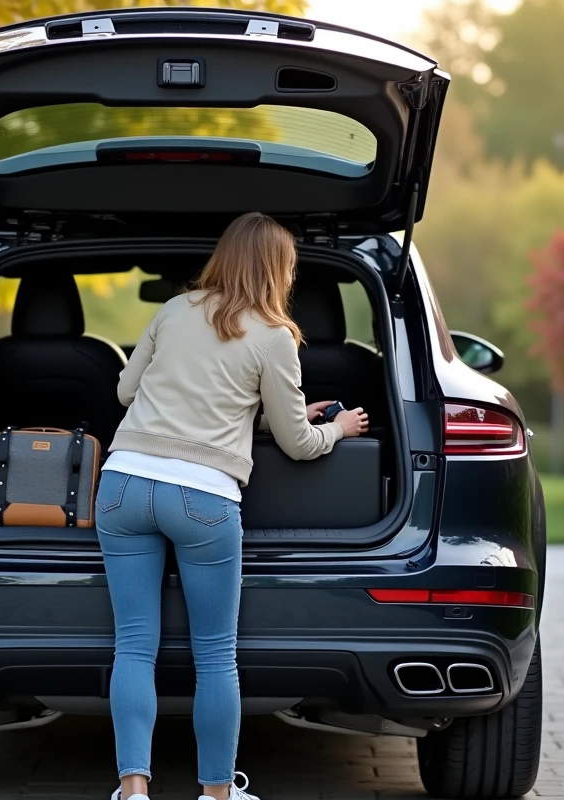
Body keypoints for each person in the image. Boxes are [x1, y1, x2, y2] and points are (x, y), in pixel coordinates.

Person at [96, 212, 370, 800]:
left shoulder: (173, 310)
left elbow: (124, 393)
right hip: (203, 498)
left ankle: (134, 789)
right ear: (278, 270)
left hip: (121, 485)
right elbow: (298, 445)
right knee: (216, 654)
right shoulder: (275, 337)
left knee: (134, 644)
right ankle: (217, 794)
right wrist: (339, 430)